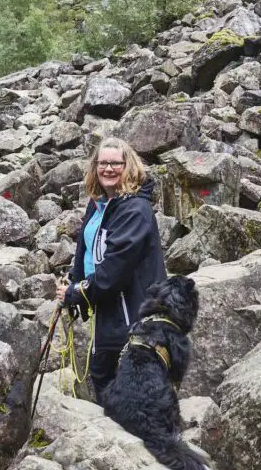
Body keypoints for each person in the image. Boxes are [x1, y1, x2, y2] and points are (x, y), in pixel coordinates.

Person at [56, 137, 166, 401]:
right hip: (109, 308)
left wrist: (76, 293)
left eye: (115, 163)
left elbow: (115, 268)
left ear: (128, 166)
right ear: (95, 167)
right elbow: (87, 250)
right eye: (102, 163)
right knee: (101, 374)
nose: (108, 169)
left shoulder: (135, 209)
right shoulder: (98, 204)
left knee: (119, 383)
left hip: (132, 314)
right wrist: (74, 280)